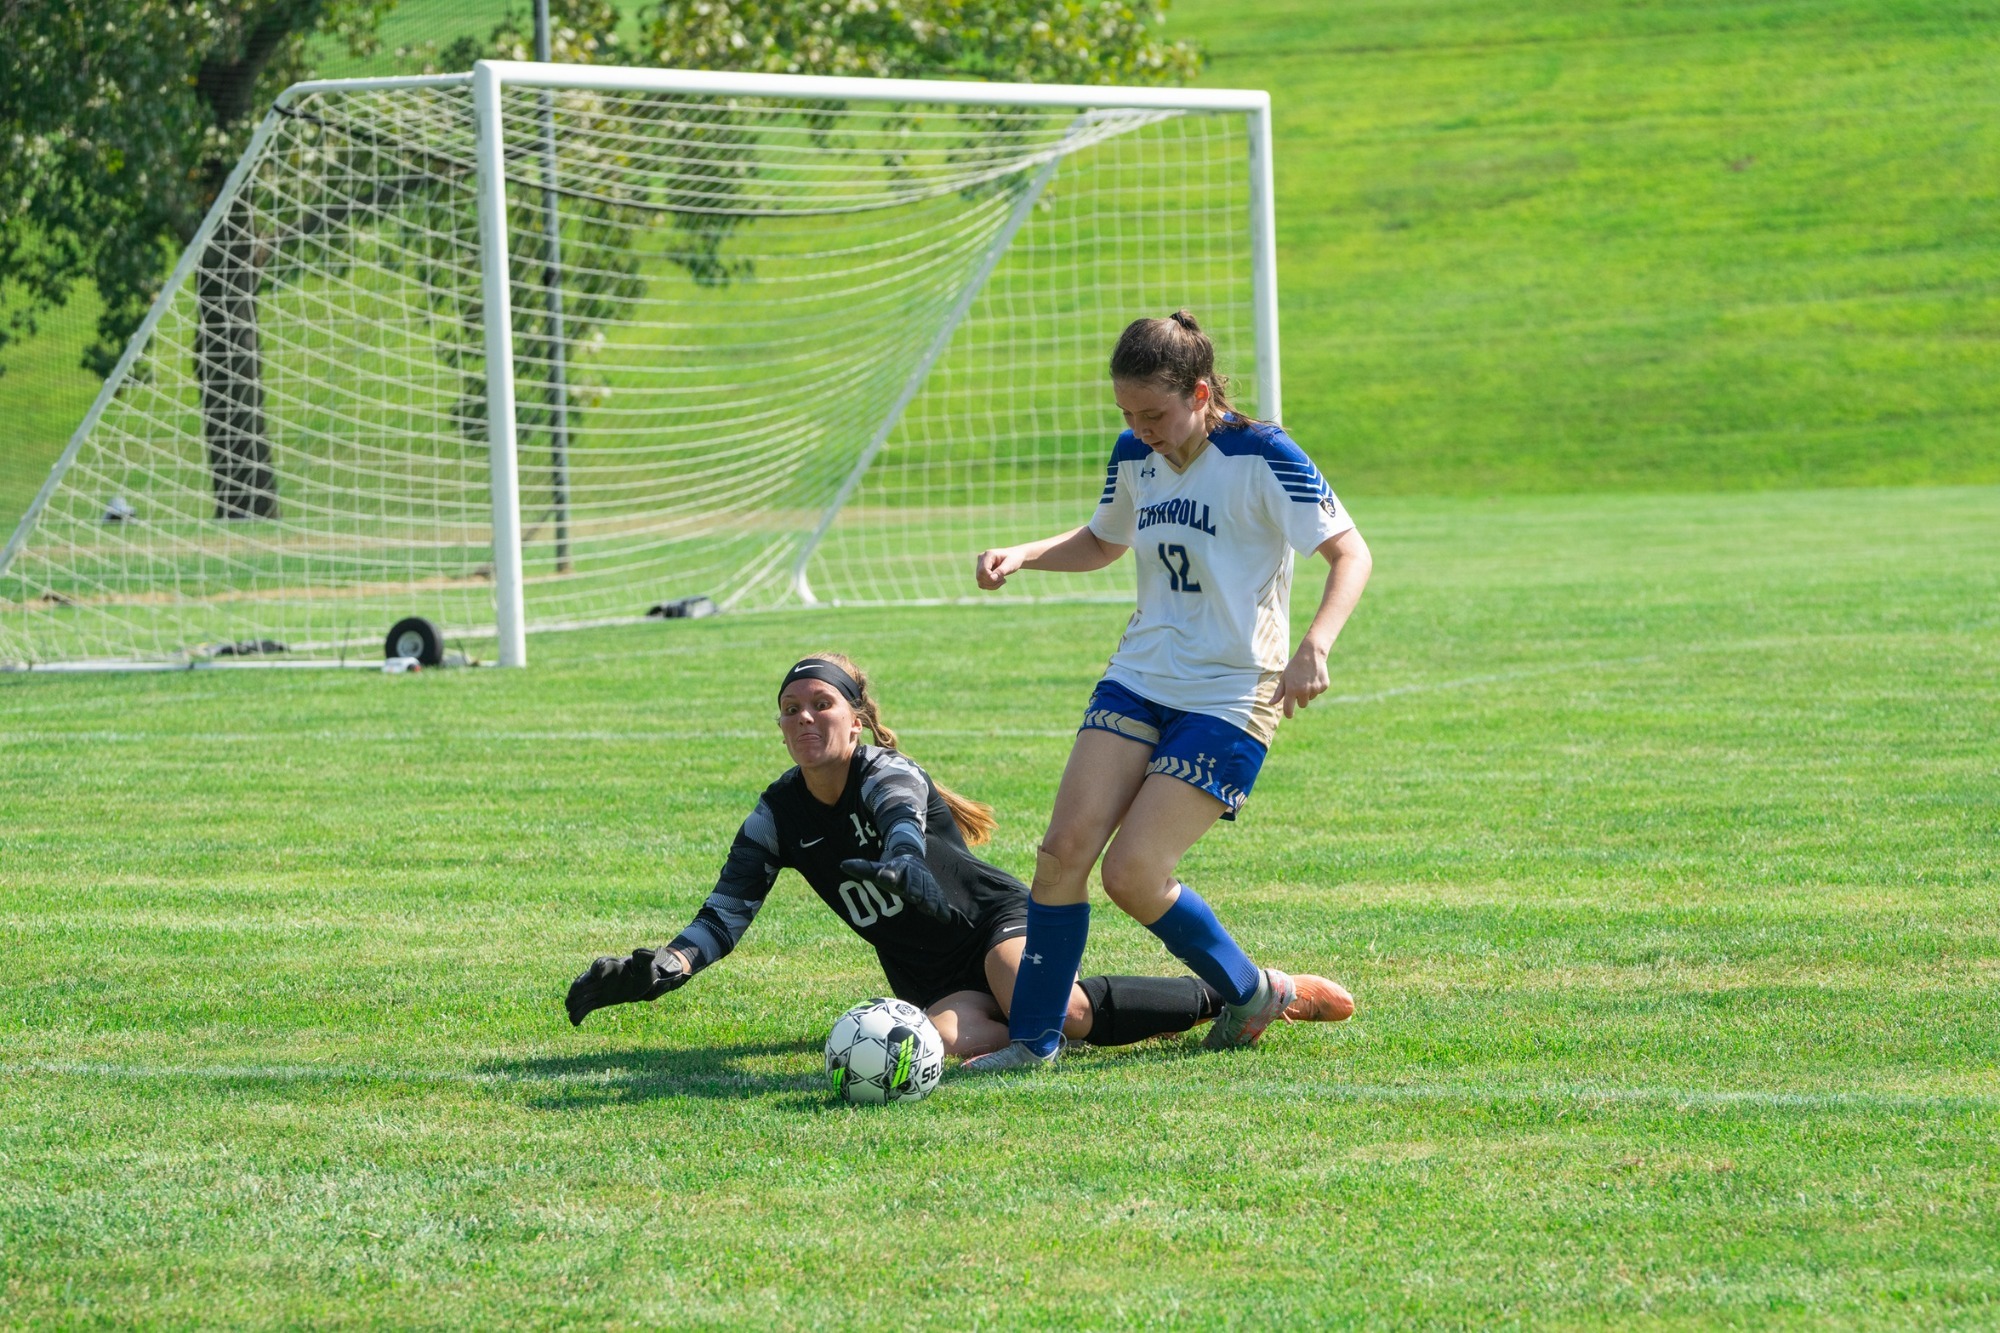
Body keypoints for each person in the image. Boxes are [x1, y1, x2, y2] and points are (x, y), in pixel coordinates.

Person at [564, 652, 1353, 1056]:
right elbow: (725, 912)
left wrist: (903, 858)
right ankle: (1027, 1027)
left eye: (821, 705)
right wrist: (670, 965)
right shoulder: (777, 814)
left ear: (857, 717)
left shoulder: (889, 770)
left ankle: (1249, 995)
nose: (805, 719)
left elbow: (900, 819)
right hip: (924, 973)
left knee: (1065, 1013)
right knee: (932, 1046)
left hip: (992, 924)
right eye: (790, 711)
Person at [964, 310, 1371, 1072]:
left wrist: (1315, 644)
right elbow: (1104, 540)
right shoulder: (1134, 456)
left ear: (1201, 392)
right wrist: (1023, 553)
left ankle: (1251, 989)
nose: (1139, 427)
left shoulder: (1263, 452)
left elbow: (1350, 552)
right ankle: (1034, 1042)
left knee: (1132, 876)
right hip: (1140, 675)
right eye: (1127, 413)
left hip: (1231, 692)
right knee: (1062, 852)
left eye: (1152, 412)